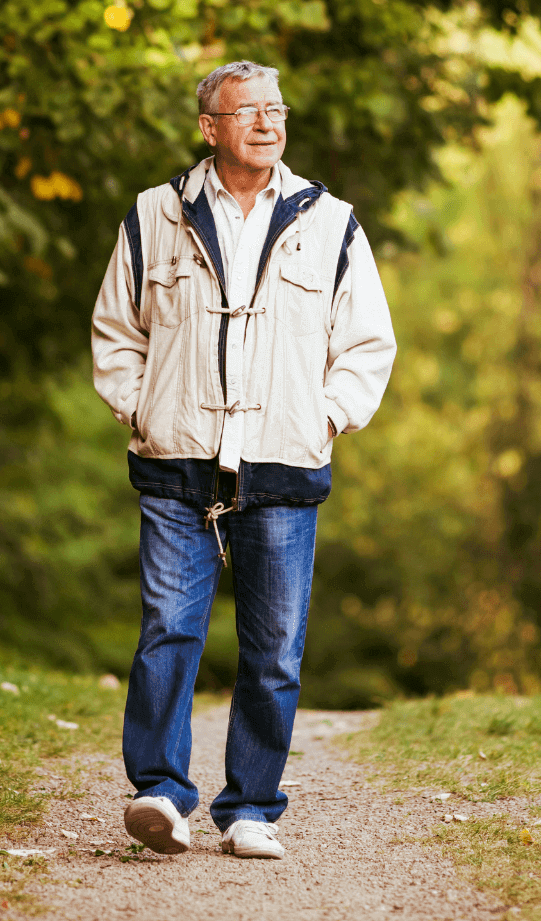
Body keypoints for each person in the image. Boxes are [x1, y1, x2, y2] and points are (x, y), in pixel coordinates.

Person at [91, 60, 396, 860]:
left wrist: (323, 420)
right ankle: (159, 793)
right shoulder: (156, 215)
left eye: (277, 109)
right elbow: (116, 333)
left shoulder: (331, 221)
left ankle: (252, 806)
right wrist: (142, 408)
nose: (268, 122)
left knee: (274, 648)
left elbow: (366, 343)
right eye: (249, 110)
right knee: (167, 631)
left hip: (283, 465)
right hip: (177, 460)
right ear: (210, 127)